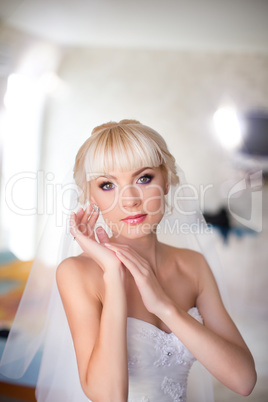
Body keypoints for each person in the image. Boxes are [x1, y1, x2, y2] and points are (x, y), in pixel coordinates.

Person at [0, 119, 256, 402]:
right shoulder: (77, 273)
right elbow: (109, 397)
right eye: (107, 184)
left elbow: (243, 380)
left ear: (167, 181)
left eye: (144, 178)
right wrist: (113, 275)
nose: (130, 200)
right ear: (91, 197)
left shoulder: (193, 265)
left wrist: (165, 307)